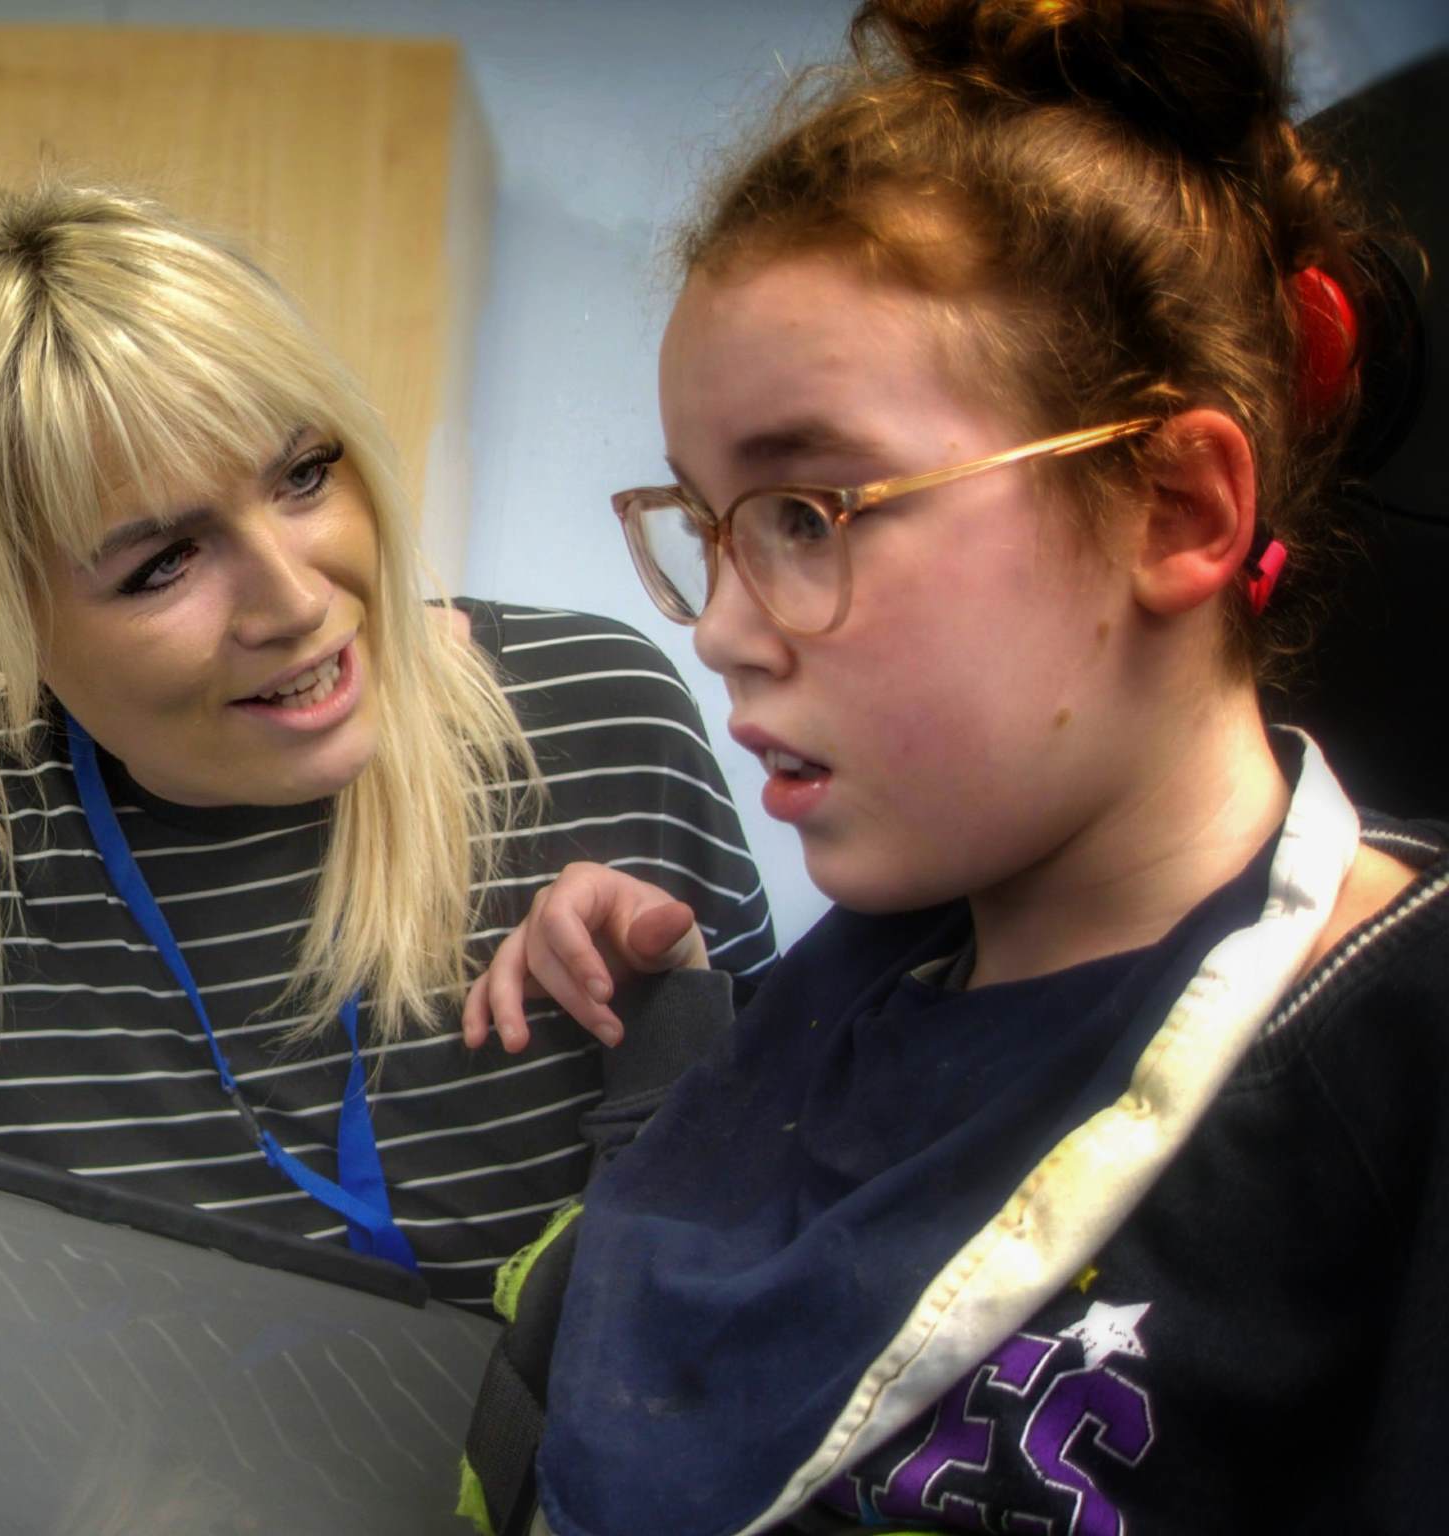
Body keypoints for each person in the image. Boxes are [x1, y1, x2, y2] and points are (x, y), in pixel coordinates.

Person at [459, 1, 1449, 1529]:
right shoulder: (855, 997)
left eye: (808, 516)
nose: (719, 630)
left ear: (1175, 509)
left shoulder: (1392, 1079)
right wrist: (668, 1028)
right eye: (707, 528)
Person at [0, 177, 777, 1312]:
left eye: (304, 475)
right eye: (162, 564)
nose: (297, 600)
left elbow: (796, 1219)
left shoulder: (600, 721)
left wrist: (675, 1041)